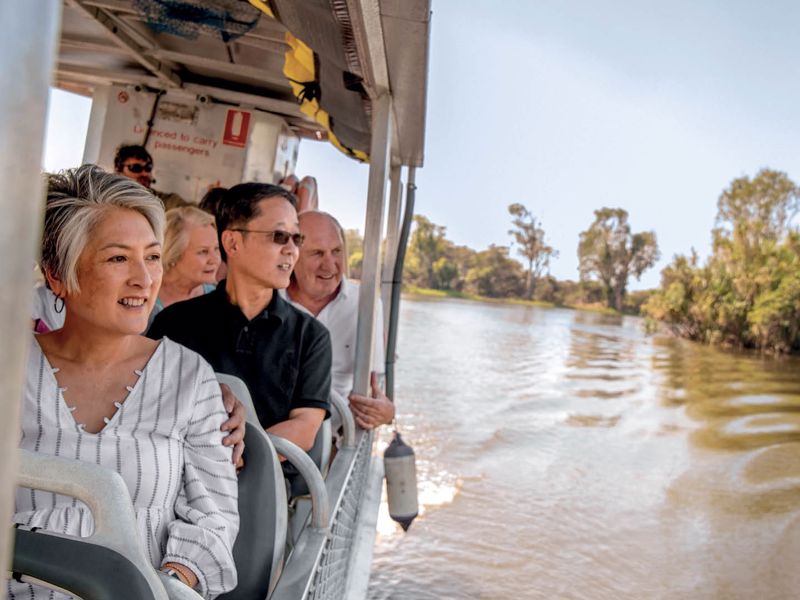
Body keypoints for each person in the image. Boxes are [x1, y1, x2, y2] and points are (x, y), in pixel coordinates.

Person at [13, 165, 238, 599]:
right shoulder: (10, 367)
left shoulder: (190, 379)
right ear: (59, 275)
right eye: (118, 258)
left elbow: (212, 517)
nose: (144, 278)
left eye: (152, 256)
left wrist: (167, 585)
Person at [148, 183, 331, 456]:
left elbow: (305, 428)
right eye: (279, 236)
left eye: (297, 238)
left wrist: (234, 458)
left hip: (270, 490)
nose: (292, 249)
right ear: (233, 242)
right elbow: (151, 407)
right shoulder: (173, 323)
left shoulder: (311, 335)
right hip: (178, 475)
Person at [283, 211, 395, 430]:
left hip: (336, 437)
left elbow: (376, 387)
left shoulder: (366, 304)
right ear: (292, 255)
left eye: (336, 252)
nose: (330, 265)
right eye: (317, 253)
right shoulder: (269, 297)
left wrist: (387, 412)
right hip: (273, 431)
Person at [150, 206, 220, 325]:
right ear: (173, 254)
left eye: (217, 249)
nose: (215, 259)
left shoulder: (219, 300)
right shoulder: (143, 297)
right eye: (203, 251)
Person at [114, 144, 187, 210]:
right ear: (119, 172)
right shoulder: (109, 198)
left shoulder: (163, 201)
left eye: (148, 167)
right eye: (136, 168)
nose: (145, 174)